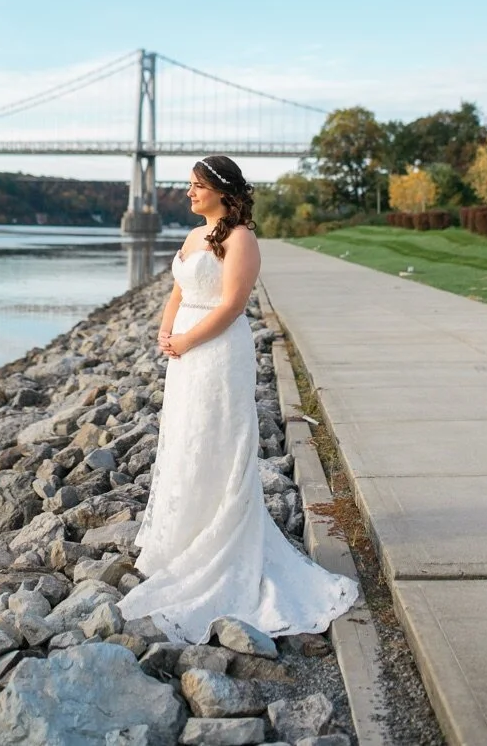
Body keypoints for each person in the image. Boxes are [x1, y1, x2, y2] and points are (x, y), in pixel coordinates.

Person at [118, 154, 358, 643]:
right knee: (186, 439)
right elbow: (180, 290)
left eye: (196, 185)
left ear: (222, 190)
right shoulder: (194, 236)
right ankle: (181, 541)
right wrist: (167, 330)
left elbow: (231, 305)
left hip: (216, 353)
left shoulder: (240, 239)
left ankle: (218, 548)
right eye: (188, 185)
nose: (188, 193)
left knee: (216, 442)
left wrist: (186, 341)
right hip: (185, 354)